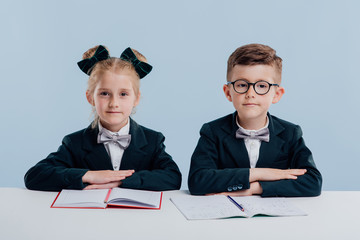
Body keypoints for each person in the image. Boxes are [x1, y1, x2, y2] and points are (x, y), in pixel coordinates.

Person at [25, 45, 182, 191]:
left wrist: (121, 181)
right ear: (90, 97)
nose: (114, 103)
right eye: (104, 94)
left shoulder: (152, 140)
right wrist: (90, 175)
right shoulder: (75, 143)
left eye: (123, 94)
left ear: (136, 98)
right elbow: (35, 176)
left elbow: (173, 177)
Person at [188, 43, 322, 197]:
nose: (250, 93)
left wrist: (256, 188)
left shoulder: (291, 133)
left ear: (277, 94)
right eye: (242, 84)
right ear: (228, 92)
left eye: (262, 86)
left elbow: (313, 182)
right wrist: (259, 173)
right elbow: (198, 181)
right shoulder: (212, 131)